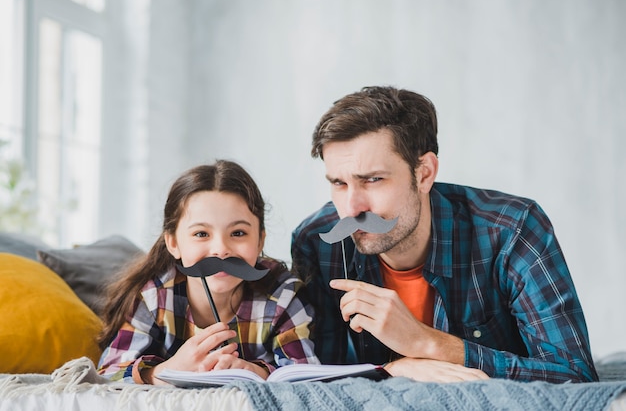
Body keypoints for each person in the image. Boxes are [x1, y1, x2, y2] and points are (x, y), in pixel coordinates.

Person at [291, 86, 598, 383]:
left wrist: (430, 344)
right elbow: (318, 377)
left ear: (424, 173)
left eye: (372, 180)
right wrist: (393, 370)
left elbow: (575, 375)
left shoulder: (512, 230)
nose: (351, 208)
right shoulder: (316, 243)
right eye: (339, 184)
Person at [98, 160, 319, 384]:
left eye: (238, 233)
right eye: (202, 234)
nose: (221, 250)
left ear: (260, 239)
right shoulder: (154, 297)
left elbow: (305, 376)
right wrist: (166, 371)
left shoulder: (284, 295)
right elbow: (108, 376)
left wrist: (254, 372)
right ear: (173, 243)